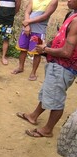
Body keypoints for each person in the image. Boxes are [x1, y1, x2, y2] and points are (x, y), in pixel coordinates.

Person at [15, 0, 77, 138]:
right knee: (48, 91)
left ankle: (48, 130)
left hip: (64, 66)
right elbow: (62, 39)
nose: (68, 0)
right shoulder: (72, 14)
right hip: (57, 63)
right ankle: (33, 116)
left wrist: (46, 49)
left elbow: (67, 52)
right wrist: (47, 47)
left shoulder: (76, 21)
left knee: (57, 98)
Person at [12, 0, 58, 81]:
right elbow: (27, 12)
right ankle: (20, 67)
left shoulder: (53, 1)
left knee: (37, 52)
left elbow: (45, 16)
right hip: (26, 29)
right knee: (23, 49)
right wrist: (26, 26)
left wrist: (27, 21)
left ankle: (33, 73)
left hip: (39, 31)